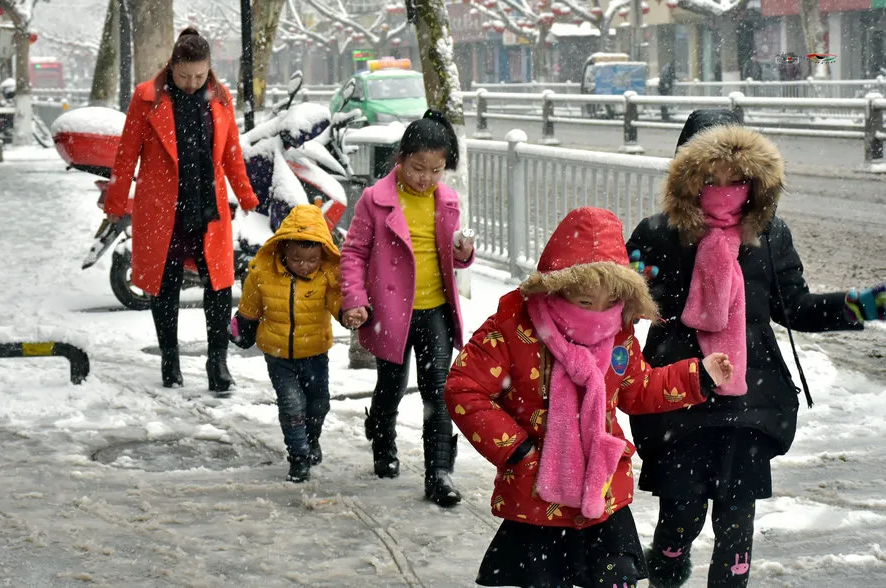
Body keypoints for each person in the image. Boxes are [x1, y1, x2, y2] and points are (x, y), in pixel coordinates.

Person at [626, 109, 886, 588]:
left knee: (735, 520)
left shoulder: (770, 235)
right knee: (680, 513)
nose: (724, 183)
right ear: (687, 173)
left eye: (737, 174)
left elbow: (797, 307)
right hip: (678, 392)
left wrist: (861, 305)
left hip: (750, 393)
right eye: (710, 172)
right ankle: (667, 559)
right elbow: (623, 303)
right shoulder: (657, 232)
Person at [445, 206, 734, 588]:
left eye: (608, 301)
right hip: (537, 495)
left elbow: (637, 389)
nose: (597, 313)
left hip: (601, 492)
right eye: (584, 301)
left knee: (616, 580)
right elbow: (464, 387)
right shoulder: (513, 326)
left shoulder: (618, 333)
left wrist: (698, 377)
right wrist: (516, 449)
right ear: (556, 286)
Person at [104, 27, 259, 394]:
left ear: (209, 69)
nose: (192, 83)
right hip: (162, 207)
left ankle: (217, 361)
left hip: (208, 206)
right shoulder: (146, 99)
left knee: (220, 285)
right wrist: (115, 200)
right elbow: (127, 155)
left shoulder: (220, 99)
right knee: (166, 283)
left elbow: (232, 153)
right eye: (185, 75)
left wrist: (247, 194)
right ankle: (169, 357)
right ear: (172, 66)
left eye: (200, 75)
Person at [340, 109, 475, 507]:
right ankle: (383, 442)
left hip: (435, 309)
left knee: (438, 392)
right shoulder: (375, 200)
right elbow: (353, 253)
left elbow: (451, 257)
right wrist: (355, 300)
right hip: (390, 312)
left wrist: (463, 254)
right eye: (418, 168)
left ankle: (439, 472)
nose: (427, 178)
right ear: (400, 159)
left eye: (436, 170)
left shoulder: (446, 201)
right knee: (392, 386)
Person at [229, 204, 343, 483]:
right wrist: (243, 326)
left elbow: (338, 303)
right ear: (283, 250)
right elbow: (250, 305)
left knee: (319, 404)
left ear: (322, 254)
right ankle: (298, 455)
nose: (305, 266)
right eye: (297, 259)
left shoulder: (327, 276)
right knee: (291, 405)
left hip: (315, 353)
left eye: (311, 260)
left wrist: (352, 313)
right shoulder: (263, 273)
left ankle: (311, 439)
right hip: (279, 355)